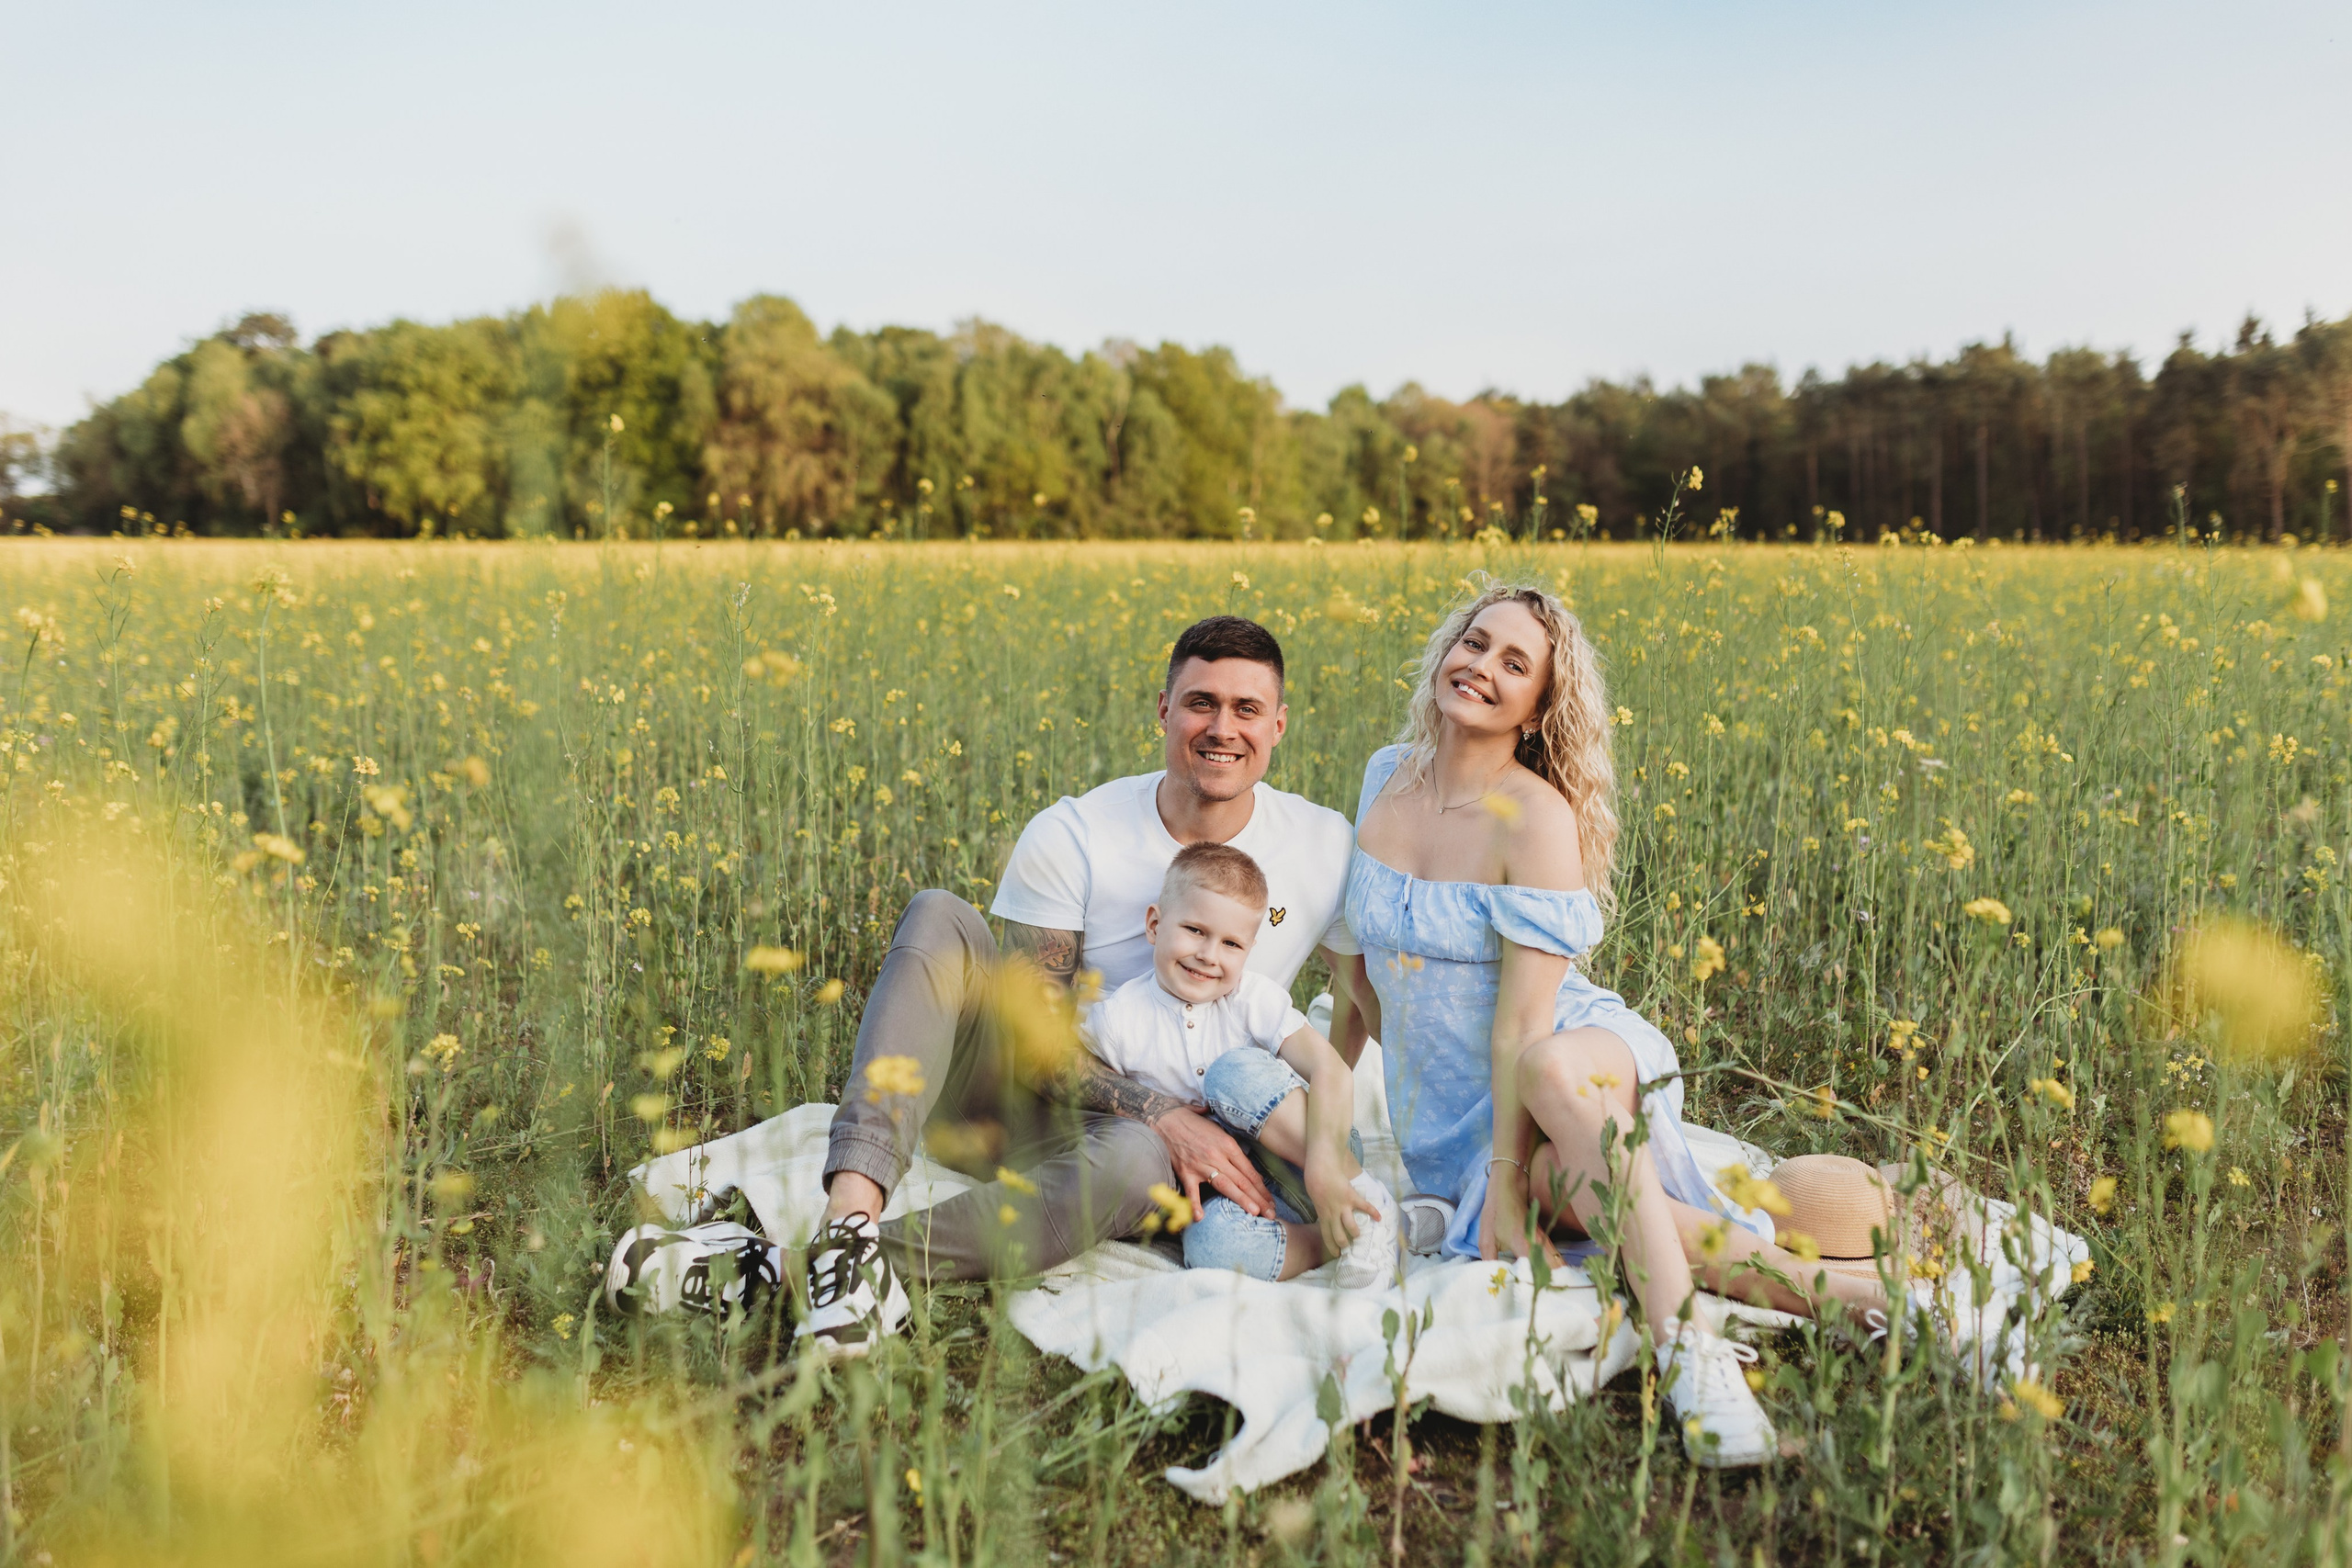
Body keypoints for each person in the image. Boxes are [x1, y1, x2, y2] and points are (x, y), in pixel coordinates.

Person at [1333, 581, 1912, 1469]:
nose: (1481, 666)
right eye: (1475, 643)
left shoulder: (1535, 818)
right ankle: (1867, 1299)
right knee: (1606, 1200)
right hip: (1444, 1112)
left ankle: (1694, 1364)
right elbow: (1364, 975)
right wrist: (1338, 1119)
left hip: (1568, 1053)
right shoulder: (1384, 773)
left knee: (1557, 1079)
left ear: (1536, 710)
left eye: (1513, 663)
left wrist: (1503, 1181)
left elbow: (1523, 1026)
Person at [785, 615, 1366, 1357]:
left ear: (1278, 724)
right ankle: (847, 1226)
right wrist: (1161, 1110)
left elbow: (1360, 998)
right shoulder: (1077, 831)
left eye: (1247, 708)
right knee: (939, 914)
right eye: (1200, 702)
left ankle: (811, 1272)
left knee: (1134, 1158)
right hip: (1012, 1105)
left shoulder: (1320, 844)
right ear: (1164, 710)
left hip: (1132, 1159)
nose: (1223, 727)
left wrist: (1310, 1141)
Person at [1081, 840, 1397, 1286]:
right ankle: (1344, 1234)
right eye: (1194, 930)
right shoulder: (1118, 1020)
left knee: (1230, 1073)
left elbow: (1332, 1070)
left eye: (1231, 943)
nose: (1209, 955)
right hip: (1244, 1194)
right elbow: (1083, 1092)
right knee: (1210, 1244)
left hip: (1313, 1150)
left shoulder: (1252, 999)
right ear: (1155, 924)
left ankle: (1365, 1194)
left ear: (1249, 951)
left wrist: (1325, 1163)